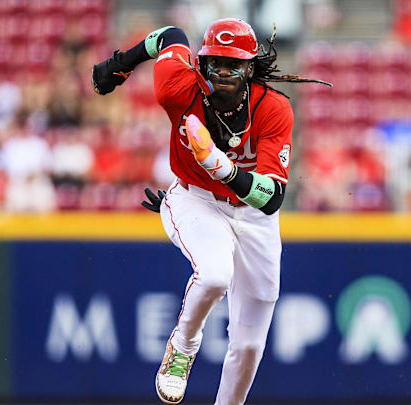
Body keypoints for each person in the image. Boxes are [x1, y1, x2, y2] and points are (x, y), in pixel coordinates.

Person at [91, 19, 329, 405]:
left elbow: (271, 198)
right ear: (201, 63)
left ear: (250, 68)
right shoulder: (177, 87)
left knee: (250, 345)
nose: (222, 72)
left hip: (254, 216)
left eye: (233, 64)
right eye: (214, 62)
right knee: (216, 275)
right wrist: (121, 63)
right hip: (196, 198)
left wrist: (221, 166)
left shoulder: (273, 108)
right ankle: (182, 347)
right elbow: (170, 37)